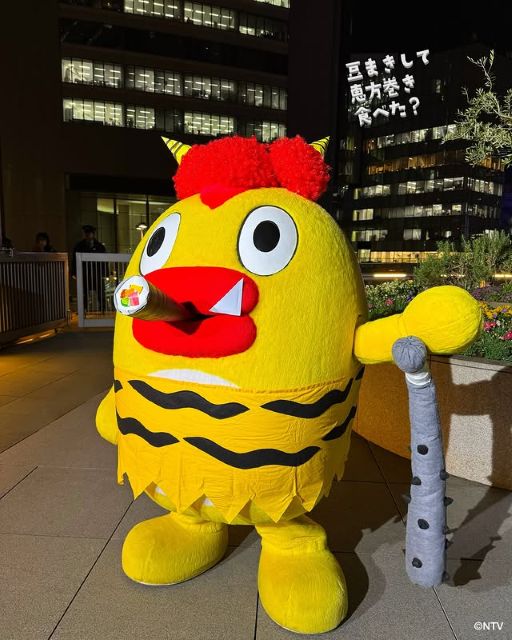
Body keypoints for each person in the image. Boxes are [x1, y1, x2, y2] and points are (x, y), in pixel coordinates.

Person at [72, 224, 107, 313]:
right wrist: (74, 273)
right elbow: (74, 260)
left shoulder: (99, 246)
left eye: (89, 233)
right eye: (86, 233)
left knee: (100, 293)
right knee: (83, 293)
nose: (87, 235)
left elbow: (104, 260)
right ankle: (83, 310)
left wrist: (105, 273)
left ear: (93, 234)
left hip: (97, 273)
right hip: (84, 274)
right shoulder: (79, 246)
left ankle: (103, 309)